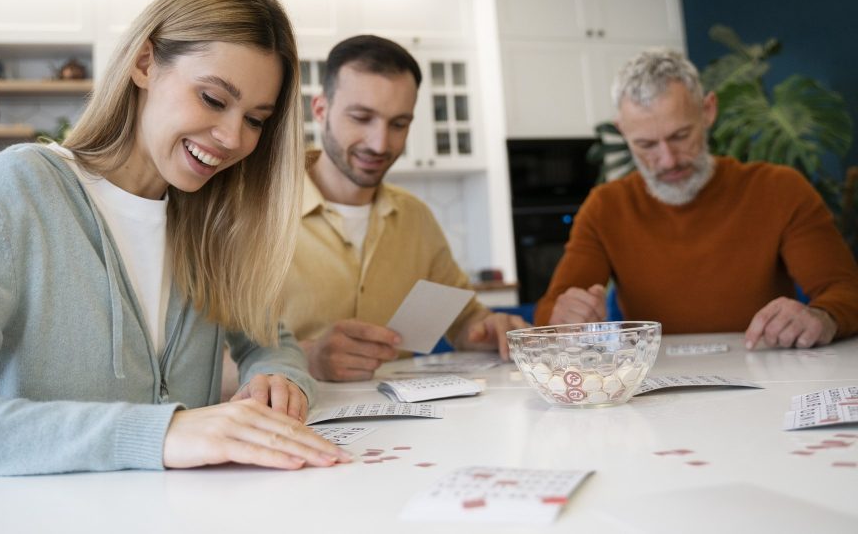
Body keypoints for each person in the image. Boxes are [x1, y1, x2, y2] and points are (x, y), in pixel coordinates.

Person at [0, 0, 350, 483]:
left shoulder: (209, 220)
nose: (231, 137)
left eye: (255, 119)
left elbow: (271, 339)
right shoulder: (16, 192)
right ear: (144, 63)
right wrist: (160, 433)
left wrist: (278, 377)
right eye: (212, 98)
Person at [534, 48, 858, 349]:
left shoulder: (779, 189)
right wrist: (562, 319)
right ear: (622, 132)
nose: (668, 160)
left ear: (708, 111)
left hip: (767, 374)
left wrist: (822, 317)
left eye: (680, 136)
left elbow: (847, 292)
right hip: (655, 389)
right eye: (646, 145)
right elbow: (551, 310)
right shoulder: (605, 208)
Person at [281, 35, 528, 382]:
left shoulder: (416, 218)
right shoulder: (257, 215)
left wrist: (488, 329)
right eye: (362, 117)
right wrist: (306, 360)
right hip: (294, 425)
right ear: (320, 110)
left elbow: (463, 322)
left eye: (399, 124)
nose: (380, 143)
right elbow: (208, 365)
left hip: (406, 426)